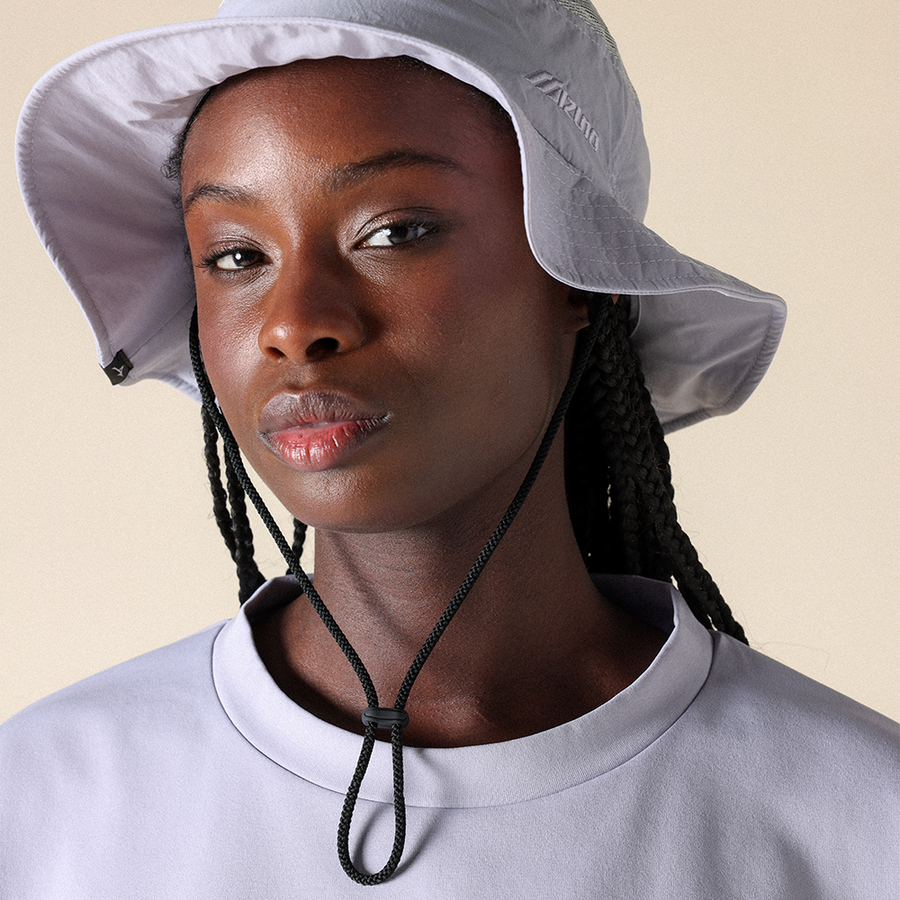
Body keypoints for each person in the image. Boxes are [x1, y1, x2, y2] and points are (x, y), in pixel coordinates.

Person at [2, 0, 897, 896]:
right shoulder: (41, 800)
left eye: (394, 232)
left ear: (580, 279)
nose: (294, 324)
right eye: (237, 256)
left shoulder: (860, 819)